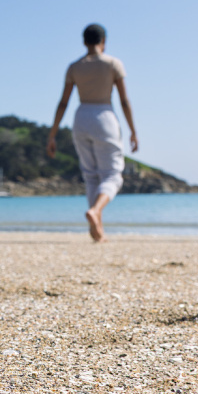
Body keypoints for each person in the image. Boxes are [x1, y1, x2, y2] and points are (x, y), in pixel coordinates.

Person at [46, 23, 139, 242]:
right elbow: (124, 101)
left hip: (81, 117)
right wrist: (133, 131)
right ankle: (96, 212)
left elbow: (63, 103)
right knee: (112, 175)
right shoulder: (113, 64)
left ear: (84, 42)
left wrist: (52, 134)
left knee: (90, 175)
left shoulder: (74, 67)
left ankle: (97, 230)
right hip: (104, 115)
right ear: (103, 42)